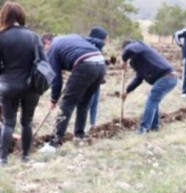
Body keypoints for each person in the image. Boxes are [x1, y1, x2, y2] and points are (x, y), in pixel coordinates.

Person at [39, 32, 107, 152]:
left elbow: (55, 78)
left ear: (47, 42)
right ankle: (79, 136)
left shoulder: (52, 48)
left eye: (43, 48)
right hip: (101, 63)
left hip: (85, 65)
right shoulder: (71, 37)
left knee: (66, 104)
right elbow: (96, 41)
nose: (45, 53)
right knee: (84, 103)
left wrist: (53, 99)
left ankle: (54, 143)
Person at [0, 1, 41, 164]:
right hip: (31, 85)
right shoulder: (33, 36)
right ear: (21, 16)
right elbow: (41, 62)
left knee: (9, 122)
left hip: (8, 84)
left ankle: (3, 159)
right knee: (27, 122)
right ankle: (25, 156)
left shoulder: (1, 36)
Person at [121, 40, 177, 134]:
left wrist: (123, 60)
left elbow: (129, 49)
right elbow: (139, 78)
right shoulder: (136, 61)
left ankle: (143, 129)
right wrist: (127, 91)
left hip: (167, 76)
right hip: (166, 78)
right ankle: (154, 127)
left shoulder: (139, 45)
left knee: (151, 100)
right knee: (153, 100)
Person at [84, 26, 109, 131]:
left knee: (95, 102)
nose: (106, 41)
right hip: (89, 78)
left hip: (97, 79)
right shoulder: (90, 46)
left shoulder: (98, 47)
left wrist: (106, 62)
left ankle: (92, 124)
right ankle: (83, 126)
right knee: (88, 102)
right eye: (105, 38)